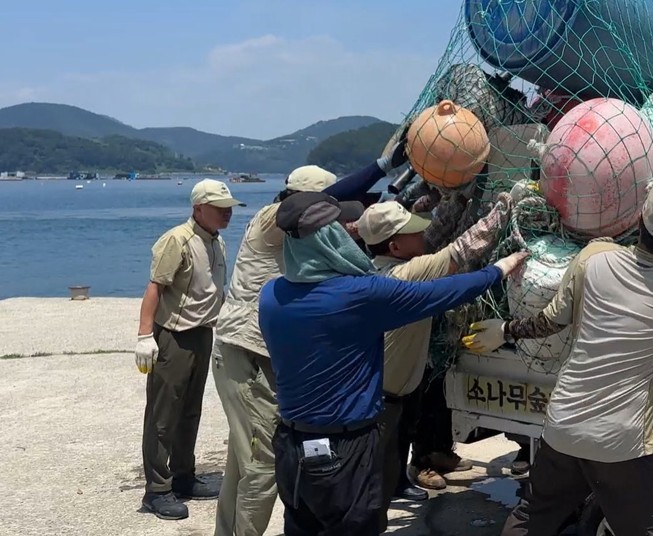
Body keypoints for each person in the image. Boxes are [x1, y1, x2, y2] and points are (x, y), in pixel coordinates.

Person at [461, 179, 653, 536]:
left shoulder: (594, 258)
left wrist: (504, 330)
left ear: (639, 220)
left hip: (563, 425)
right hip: (623, 442)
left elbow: (549, 322)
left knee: (532, 516)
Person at [259, 191, 527, 536]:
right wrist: (499, 268)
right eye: (338, 230)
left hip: (291, 447)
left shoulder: (271, 295)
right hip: (346, 450)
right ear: (328, 240)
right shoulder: (359, 295)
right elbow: (443, 292)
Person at [211, 161, 392, 536]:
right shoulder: (271, 218)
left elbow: (349, 213)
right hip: (245, 354)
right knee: (262, 464)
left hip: (256, 355)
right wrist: (381, 166)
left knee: (242, 461)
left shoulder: (299, 231)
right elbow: (338, 195)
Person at [355, 191, 513, 531]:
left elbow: (439, 239)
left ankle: (394, 493)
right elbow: (462, 251)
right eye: (412, 231)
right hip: (382, 398)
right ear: (395, 246)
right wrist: (503, 213)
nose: (422, 233)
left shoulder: (375, 270)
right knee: (373, 485)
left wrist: (456, 199)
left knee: (387, 467)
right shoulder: (408, 274)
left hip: (390, 386)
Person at [134, 178, 244, 520]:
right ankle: (157, 489)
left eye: (228, 208)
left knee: (190, 409)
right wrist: (144, 335)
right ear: (198, 208)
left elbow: (213, 289)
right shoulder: (177, 240)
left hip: (202, 333)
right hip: (174, 335)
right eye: (219, 208)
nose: (226, 214)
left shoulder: (217, 241)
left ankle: (183, 475)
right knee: (163, 413)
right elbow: (155, 287)